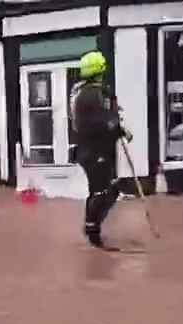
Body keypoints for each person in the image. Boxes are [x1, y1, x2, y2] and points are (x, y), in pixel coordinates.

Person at [70, 50, 130, 248]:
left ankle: (92, 227)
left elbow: (104, 118)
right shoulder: (92, 94)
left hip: (94, 150)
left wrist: (117, 127)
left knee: (108, 189)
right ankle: (92, 231)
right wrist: (117, 127)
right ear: (99, 70)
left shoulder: (87, 92)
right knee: (102, 191)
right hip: (94, 151)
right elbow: (102, 121)